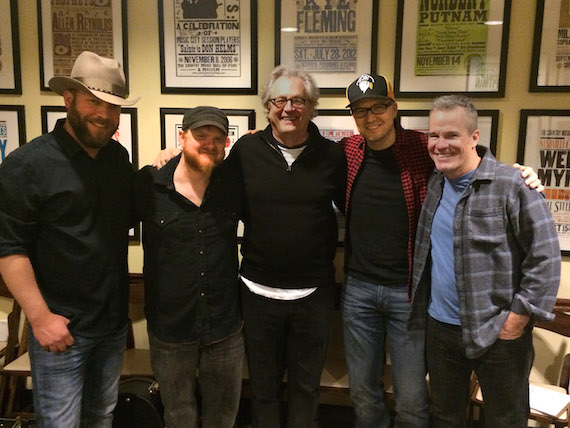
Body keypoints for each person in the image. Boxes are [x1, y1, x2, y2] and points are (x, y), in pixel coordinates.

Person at [339, 73, 544, 428]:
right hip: (359, 292)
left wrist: (518, 174)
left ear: (393, 107)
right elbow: (304, 152)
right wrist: (257, 140)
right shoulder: (348, 151)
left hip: (411, 293)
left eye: (379, 107)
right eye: (360, 110)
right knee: (364, 392)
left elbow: (469, 157)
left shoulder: (422, 148)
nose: (370, 117)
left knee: (413, 399)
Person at [154, 65, 346, 428]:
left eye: (298, 100)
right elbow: (201, 169)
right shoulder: (245, 150)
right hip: (257, 294)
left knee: (306, 388)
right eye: (280, 100)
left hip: (314, 295)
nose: (288, 108)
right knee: (263, 388)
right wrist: (171, 155)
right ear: (268, 106)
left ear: (311, 107)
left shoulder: (332, 156)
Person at [0, 51, 138, 427]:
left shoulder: (117, 159)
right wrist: (40, 317)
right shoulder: (27, 165)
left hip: (110, 327)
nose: (104, 113)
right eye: (94, 101)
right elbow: (9, 249)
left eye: (113, 106)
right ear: (68, 99)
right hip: (60, 330)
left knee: (101, 416)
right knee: (60, 422)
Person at [409, 95, 560, 427]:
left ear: (474, 137)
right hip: (441, 329)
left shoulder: (512, 185)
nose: (440, 144)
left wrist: (516, 320)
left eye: (451, 135)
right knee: (445, 417)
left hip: (498, 332)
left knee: (505, 420)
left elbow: (545, 258)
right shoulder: (435, 183)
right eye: (434, 135)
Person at [134, 107, 244, 428]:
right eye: (200, 136)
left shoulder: (233, 183)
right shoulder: (148, 184)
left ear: (226, 143)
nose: (209, 144)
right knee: (178, 414)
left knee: (223, 416)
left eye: (217, 138)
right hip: (170, 329)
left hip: (224, 327)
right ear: (182, 137)